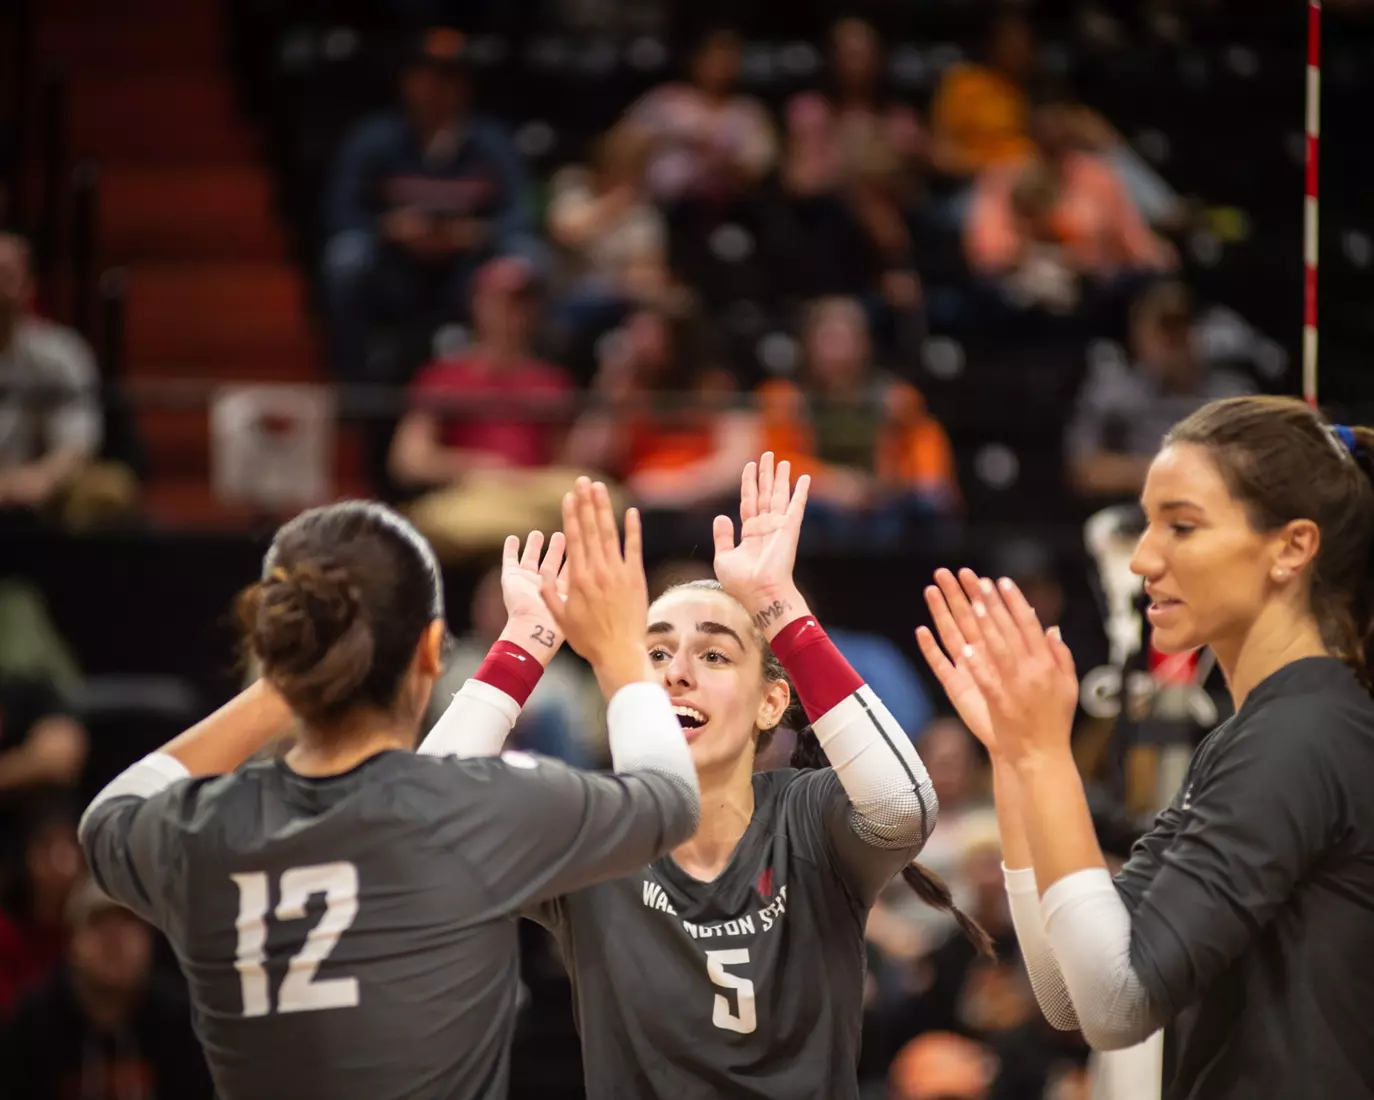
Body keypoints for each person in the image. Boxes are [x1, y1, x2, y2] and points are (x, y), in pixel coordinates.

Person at [77, 495, 700, 1100]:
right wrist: (620, 650)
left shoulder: (198, 828)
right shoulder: (479, 807)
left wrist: (282, 685)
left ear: (276, 649)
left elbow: (108, 816)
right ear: (431, 652)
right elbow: (668, 800)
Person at [436, 453, 986, 1098]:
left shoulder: (808, 815)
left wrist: (780, 607)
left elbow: (904, 807)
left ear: (770, 704)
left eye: (715, 654)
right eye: (657, 651)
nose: (677, 671)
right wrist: (525, 641)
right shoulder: (590, 827)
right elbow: (423, 827)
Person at [917, 396, 1374, 1098]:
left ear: (1292, 547)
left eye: (1181, 526)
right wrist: (1014, 757)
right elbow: (1070, 985)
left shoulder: (1302, 735)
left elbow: (1115, 1005)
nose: (1141, 559)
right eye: (1148, 523)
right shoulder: (1260, 732)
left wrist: (1045, 754)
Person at [321, 29, 542, 382]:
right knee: (345, 258)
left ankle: (518, 384)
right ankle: (352, 382)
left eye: (449, 76)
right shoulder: (374, 140)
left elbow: (521, 216)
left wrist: (475, 233)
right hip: (392, 265)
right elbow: (342, 213)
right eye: (428, 74)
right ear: (407, 80)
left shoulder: (492, 143)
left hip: (468, 267)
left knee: (529, 260)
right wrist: (391, 228)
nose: (437, 86)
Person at [0, 876, 215, 1098]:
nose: (114, 941)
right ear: (71, 943)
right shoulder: (32, 1023)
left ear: (150, 940)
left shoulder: (181, 1021)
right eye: (98, 924)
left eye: (128, 922)